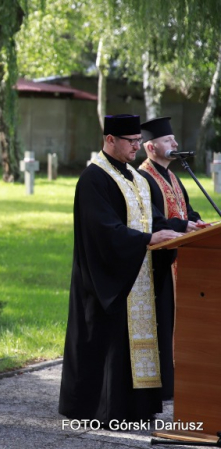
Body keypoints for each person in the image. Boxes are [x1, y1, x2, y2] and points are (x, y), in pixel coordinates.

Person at [59, 114, 182, 425]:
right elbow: (104, 231)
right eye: (131, 142)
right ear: (110, 139)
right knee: (108, 342)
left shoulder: (136, 178)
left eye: (139, 142)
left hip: (136, 272)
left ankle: (136, 408)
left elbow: (153, 217)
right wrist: (147, 239)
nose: (136, 148)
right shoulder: (93, 179)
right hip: (105, 278)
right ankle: (101, 410)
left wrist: (175, 230)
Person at [137, 116, 205, 400]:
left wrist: (199, 223)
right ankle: (163, 384)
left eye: (174, 139)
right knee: (163, 322)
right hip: (158, 263)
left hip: (181, 259)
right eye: (168, 140)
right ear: (151, 147)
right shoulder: (141, 178)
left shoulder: (174, 176)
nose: (176, 144)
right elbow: (149, 219)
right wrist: (182, 226)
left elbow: (186, 210)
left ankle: (180, 377)